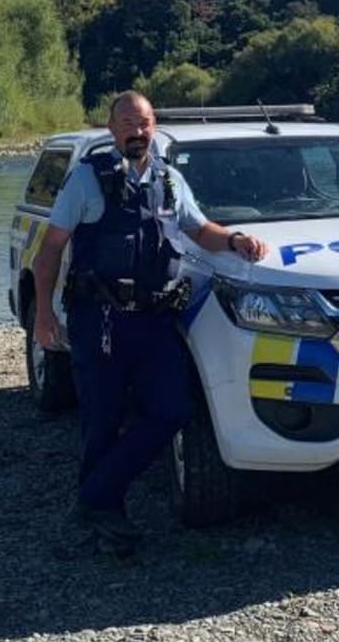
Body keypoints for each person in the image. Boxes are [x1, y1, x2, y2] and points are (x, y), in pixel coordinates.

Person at [33, 90, 268, 554]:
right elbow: (50, 250)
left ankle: (94, 496)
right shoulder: (87, 179)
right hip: (99, 320)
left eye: (143, 123)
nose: (136, 131)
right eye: (126, 123)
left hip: (156, 320)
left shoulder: (170, 180)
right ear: (111, 128)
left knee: (171, 410)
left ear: (153, 125)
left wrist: (237, 239)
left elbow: (200, 230)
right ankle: (107, 512)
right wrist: (44, 315)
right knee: (102, 418)